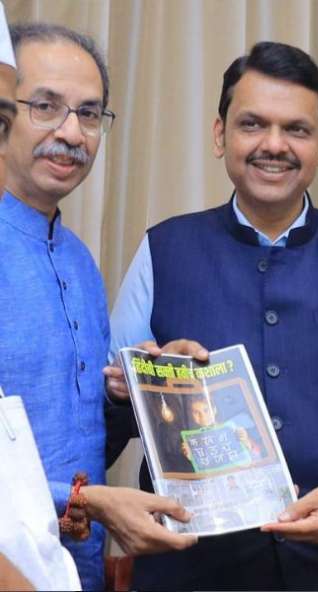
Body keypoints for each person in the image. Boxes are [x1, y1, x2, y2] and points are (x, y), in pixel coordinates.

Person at [108, 41, 318, 590]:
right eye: (253, 124)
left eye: (296, 129)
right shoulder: (163, 249)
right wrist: (141, 388)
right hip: (193, 567)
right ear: (220, 135)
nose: (274, 145)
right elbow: (111, 410)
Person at [0, 22, 197, 590]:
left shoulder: (80, 262)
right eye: (45, 106)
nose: (71, 133)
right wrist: (85, 500)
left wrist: (137, 389)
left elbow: (77, 437)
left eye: (88, 114)